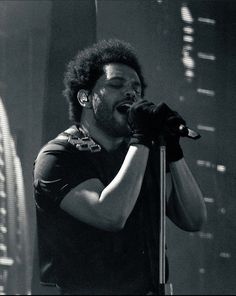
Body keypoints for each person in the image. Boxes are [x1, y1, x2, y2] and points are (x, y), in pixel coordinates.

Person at [33, 39, 207, 295]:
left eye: (136, 88)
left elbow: (194, 219)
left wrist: (173, 151)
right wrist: (141, 138)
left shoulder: (142, 152)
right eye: (116, 85)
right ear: (85, 97)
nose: (131, 94)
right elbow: (110, 215)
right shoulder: (58, 156)